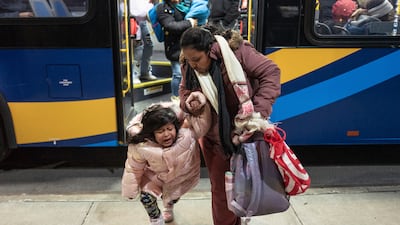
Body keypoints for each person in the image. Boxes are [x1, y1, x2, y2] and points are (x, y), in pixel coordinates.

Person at [179, 26, 281, 225]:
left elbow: (271, 72)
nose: (193, 65)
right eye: (188, 60)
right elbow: (184, 90)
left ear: (210, 50)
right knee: (221, 191)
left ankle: (239, 217)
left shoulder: (238, 52)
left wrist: (256, 112)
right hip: (213, 139)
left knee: (245, 186)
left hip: (245, 133)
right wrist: (189, 102)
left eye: (197, 60)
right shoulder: (187, 63)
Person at [121, 99, 211, 225]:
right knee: (146, 197)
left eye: (169, 129)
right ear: (152, 134)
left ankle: (169, 206)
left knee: (172, 197)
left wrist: (198, 105)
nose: (167, 134)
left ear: (175, 127)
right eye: (160, 131)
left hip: (180, 179)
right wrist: (130, 190)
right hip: (155, 178)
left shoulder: (187, 134)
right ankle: (156, 219)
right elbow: (133, 168)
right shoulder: (141, 146)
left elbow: (203, 123)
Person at [156, 0, 197, 101]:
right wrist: (190, 23)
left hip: (191, 45)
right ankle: (176, 98)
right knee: (178, 74)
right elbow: (170, 26)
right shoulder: (162, 7)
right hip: (175, 48)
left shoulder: (187, 5)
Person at [130, 0, 159, 83]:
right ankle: (135, 74)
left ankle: (145, 71)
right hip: (133, 20)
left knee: (149, 45)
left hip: (143, 21)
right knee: (138, 47)